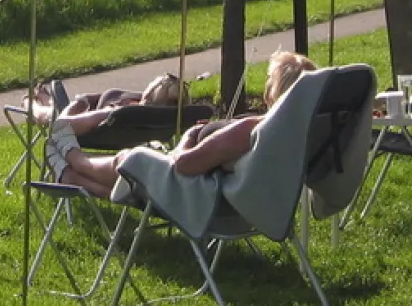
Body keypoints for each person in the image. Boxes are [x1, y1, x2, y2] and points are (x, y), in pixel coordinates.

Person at [41, 51, 315, 199]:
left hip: (190, 194)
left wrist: (193, 134)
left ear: (272, 93)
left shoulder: (250, 131)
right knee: (130, 173)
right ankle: (70, 176)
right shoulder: (298, 132)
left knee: (130, 158)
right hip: (232, 199)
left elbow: (183, 164)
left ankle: (70, 156)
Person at [23, 72, 186, 136]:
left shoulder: (119, 112)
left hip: (77, 120)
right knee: (56, 104)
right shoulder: (161, 114)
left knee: (52, 114)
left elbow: (64, 124)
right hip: (90, 106)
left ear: (149, 95)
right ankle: (45, 100)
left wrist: (80, 102)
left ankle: (32, 107)